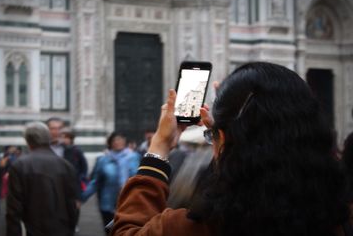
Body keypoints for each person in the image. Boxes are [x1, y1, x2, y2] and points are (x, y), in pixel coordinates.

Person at [111, 62, 350, 236]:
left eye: (213, 137)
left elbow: (126, 231)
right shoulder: (340, 217)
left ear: (223, 140)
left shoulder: (194, 227)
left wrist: (160, 146)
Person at [6, 121, 78, 236]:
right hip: (62, 230)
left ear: (28, 141)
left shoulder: (19, 165)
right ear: (48, 138)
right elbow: (72, 205)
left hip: (34, 230)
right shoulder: (66, 165)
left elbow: (13, 210)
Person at [81, 132, 140, 234]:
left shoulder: (134, 157)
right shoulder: (103, 160)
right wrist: (81, 197)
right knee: (111, 232)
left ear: (125, 141)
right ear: (110, 143)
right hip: (108, 204)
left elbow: (139, 177)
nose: (118, 142)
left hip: (129, 202)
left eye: (120, 139)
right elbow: (95, 182)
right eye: (115, 140)